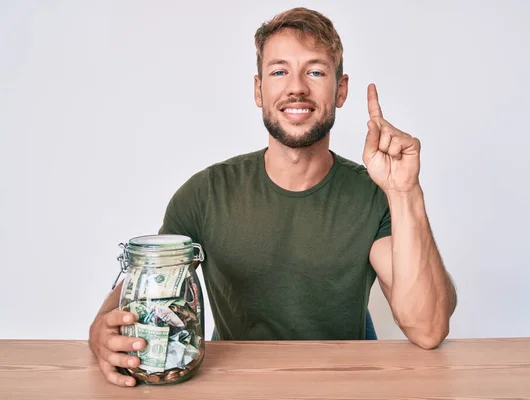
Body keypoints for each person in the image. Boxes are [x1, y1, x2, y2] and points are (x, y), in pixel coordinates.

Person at [88, 7, 457, 387]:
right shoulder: (204, 194)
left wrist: (405, 191)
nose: (296, 87)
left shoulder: (373, 195)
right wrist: (102, 331)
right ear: (258, 89)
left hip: (345, 383)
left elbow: (427, 327)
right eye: (279, 71)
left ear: (341, 89)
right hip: (234, 384)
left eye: (315, 71)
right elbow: (140, 292)